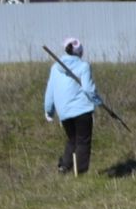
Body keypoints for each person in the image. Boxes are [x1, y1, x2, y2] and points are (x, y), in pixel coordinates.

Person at [43, 37, 100, 174]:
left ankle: (64, 166)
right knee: (83, 141)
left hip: (64, 112)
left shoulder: (55, 68)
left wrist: (49, 111)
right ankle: (80, 173)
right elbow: (88, 89)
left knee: (72, 140)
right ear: (80, 51)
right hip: (82, 110)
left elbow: (50, 91)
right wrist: (98, 101)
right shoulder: (83, 66)